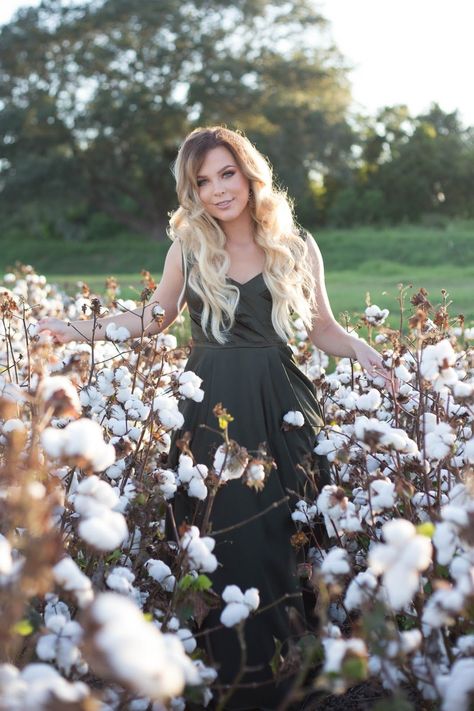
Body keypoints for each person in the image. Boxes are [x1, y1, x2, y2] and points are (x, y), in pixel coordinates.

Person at [37, 126, 393, 710]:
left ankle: (293, 683)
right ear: (192, 192)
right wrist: (74, 329)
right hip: (210, 412)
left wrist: (360, 347)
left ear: (250, 174)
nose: (218, 190)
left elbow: (321, 327)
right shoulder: (188, 246)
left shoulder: (296, 245)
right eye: (202, 181)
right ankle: (228, 681)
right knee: (221, 541)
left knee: (286, 538)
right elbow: (152, 318)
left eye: (227, 174)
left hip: (284, 410)